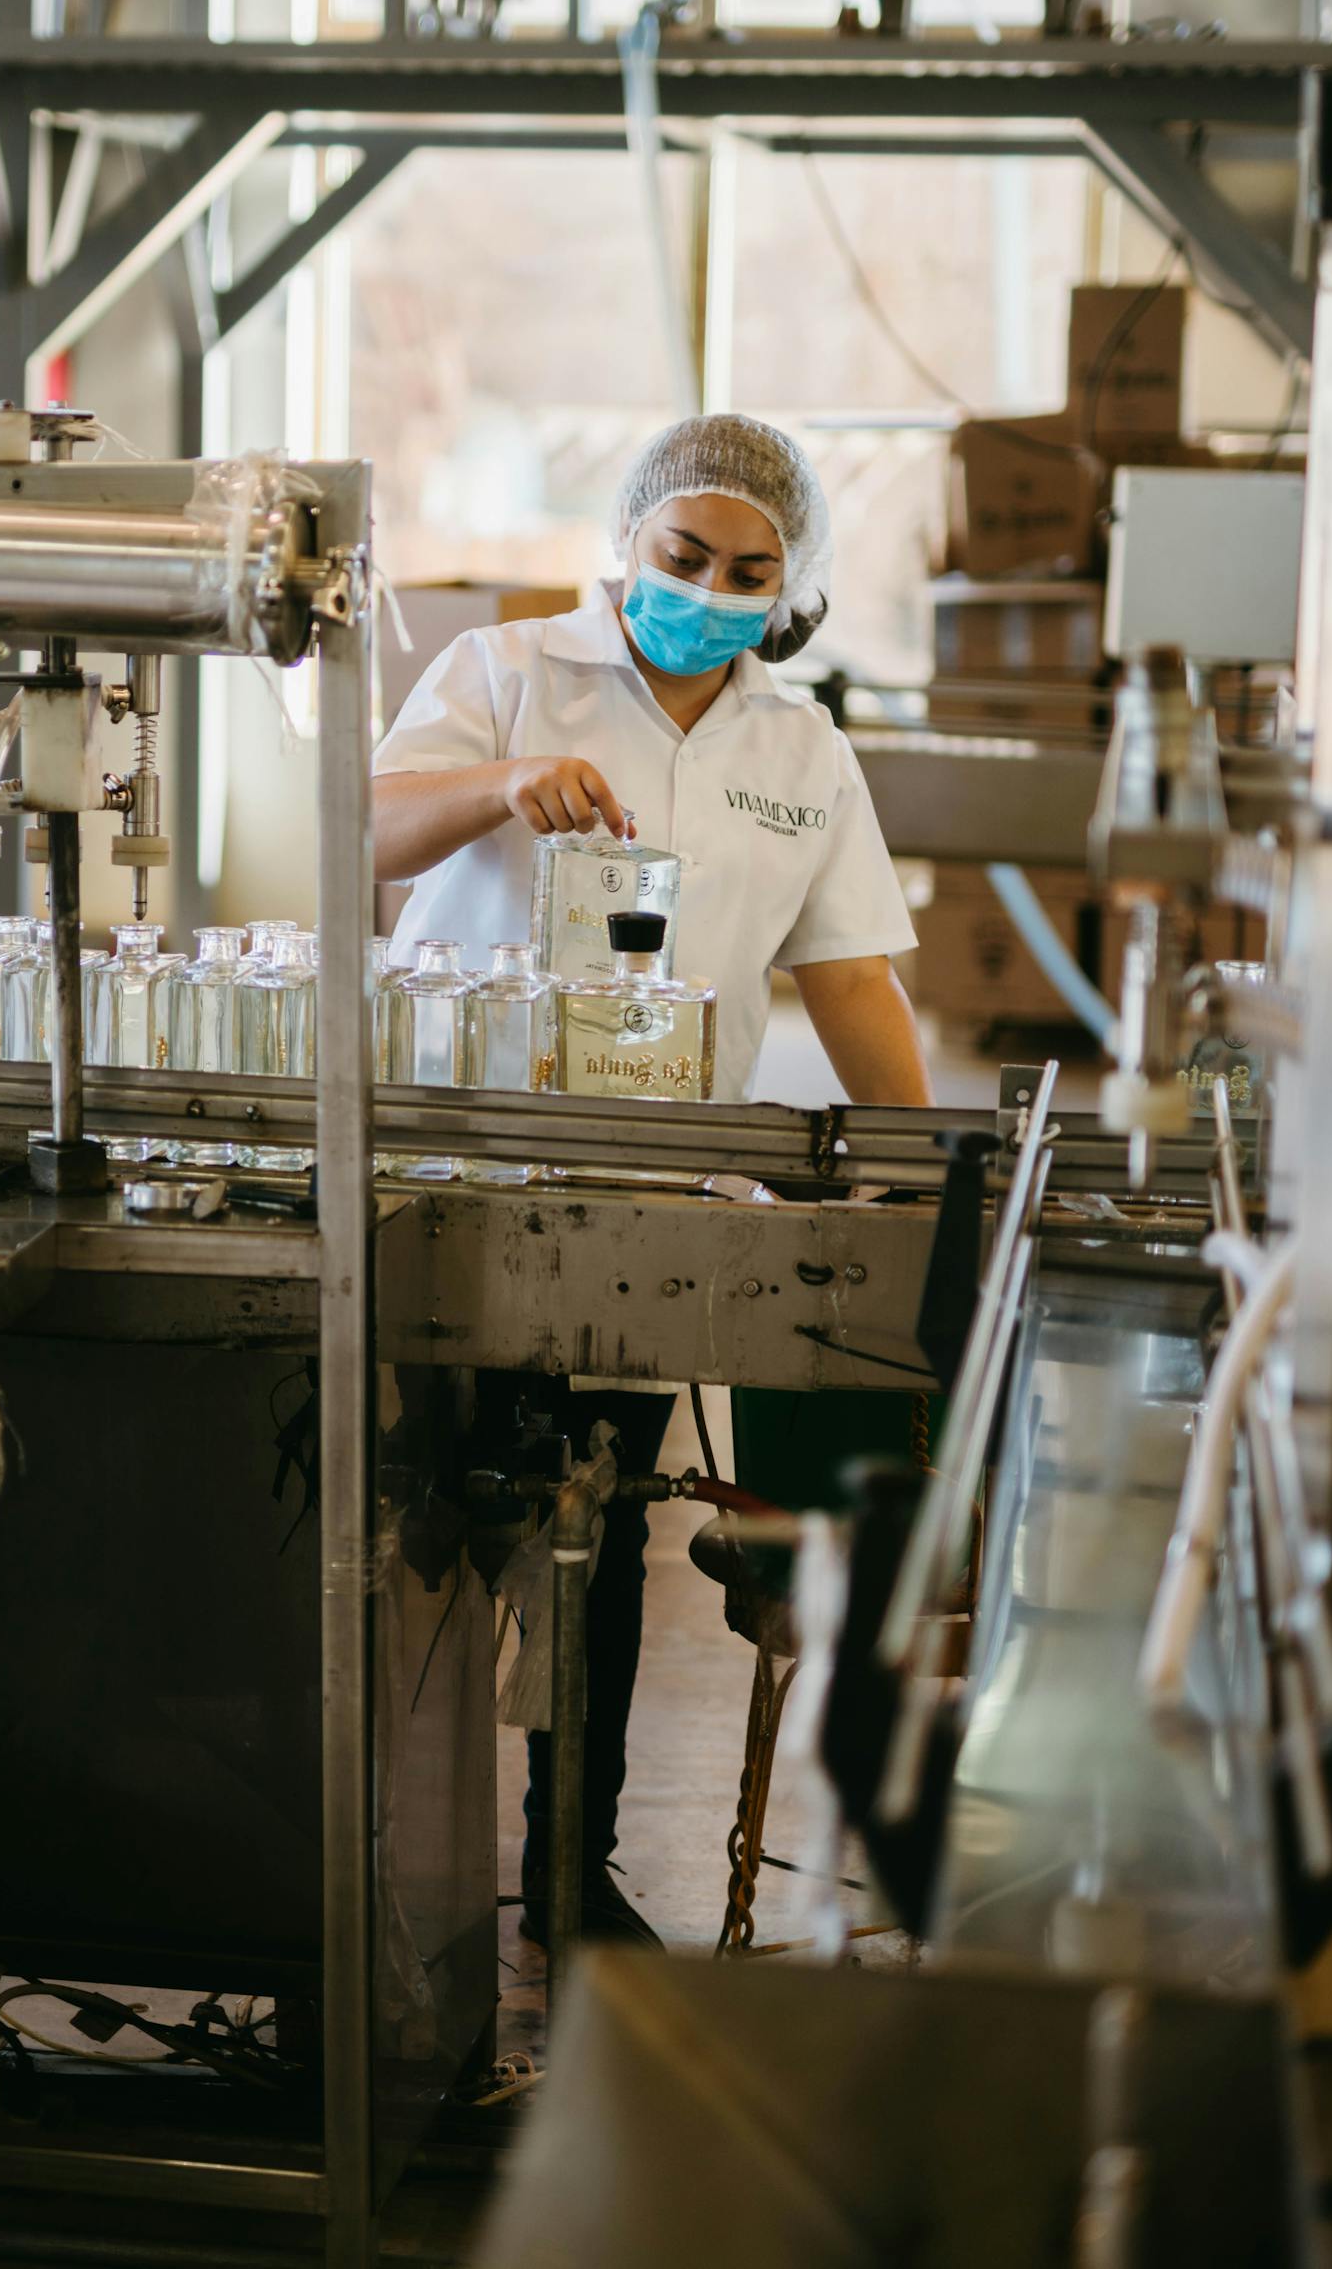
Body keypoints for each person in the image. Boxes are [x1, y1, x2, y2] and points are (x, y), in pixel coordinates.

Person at [373, 414, 933, 1948]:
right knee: (391, 1517)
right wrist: (500, 785)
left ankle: (570, 1873)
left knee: (593, 1521)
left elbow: (852, 978)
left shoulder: (799, 749)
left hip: (649, 1193)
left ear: (788, 582)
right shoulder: (505, 674)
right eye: (681, 555)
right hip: (452, 1169)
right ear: (626, 540)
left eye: (748, 569)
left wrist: (927, 1171)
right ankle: (356, 1877)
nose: (706, 585)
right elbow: (364, 832)